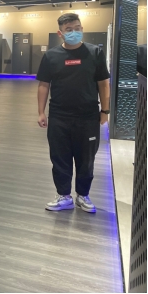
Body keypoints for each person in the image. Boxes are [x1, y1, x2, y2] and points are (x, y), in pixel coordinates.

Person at [37, 13, 110, 213]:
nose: (74, 32)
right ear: (60, 33)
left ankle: (83, 195)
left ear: (82, 28)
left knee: (86, 159)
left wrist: (105, 110)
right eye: (69, 29)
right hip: (59, 116)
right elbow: (44, 85)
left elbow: (103, 84)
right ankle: (64, 196)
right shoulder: (51, 56)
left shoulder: (94, 53)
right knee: (59, 158)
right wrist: (41, 112)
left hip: (88, 117)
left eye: (77, 28)